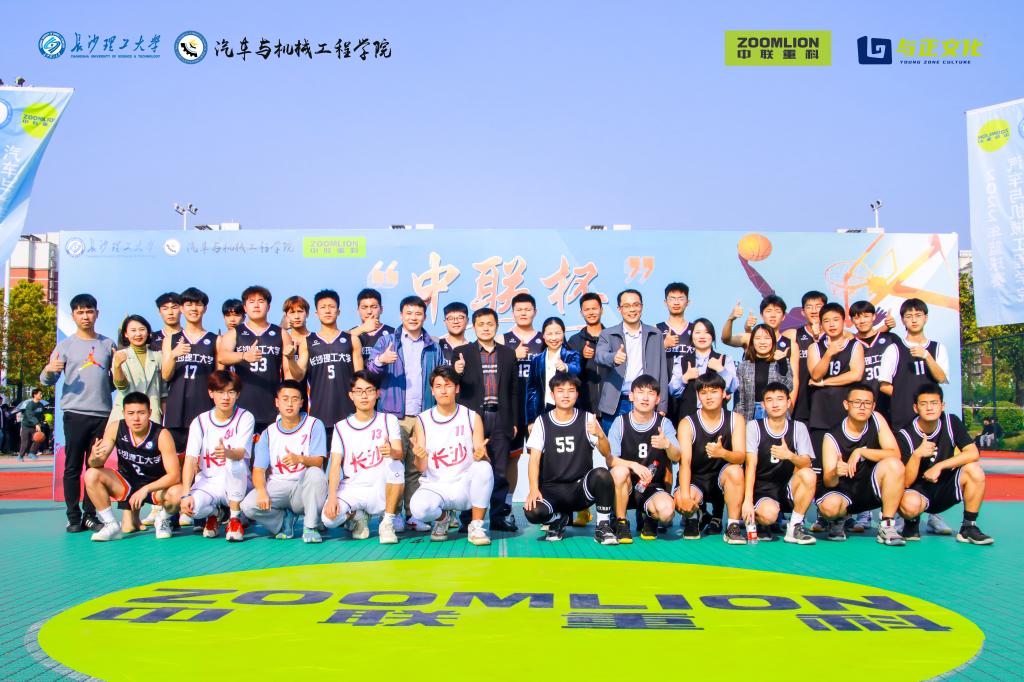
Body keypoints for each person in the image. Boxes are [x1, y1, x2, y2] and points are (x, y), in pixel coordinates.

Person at [40, 293, 117, 533]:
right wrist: (49, 370)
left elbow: (114, 382)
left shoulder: (108, 344)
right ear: (73, 316)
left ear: (97, 313)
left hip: (102, 414)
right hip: (75, 413)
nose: (85, 316)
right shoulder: (65, 346)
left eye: (89, 311)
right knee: (72, 466)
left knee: (94, 467)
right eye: (80, 312)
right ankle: (73, 516)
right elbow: (46, 380)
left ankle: (90, 515)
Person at [369, 295, 445, 532]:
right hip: (394, 415)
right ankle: (393, 514)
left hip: (423, 415)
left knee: (415, 467)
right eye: (409, 313)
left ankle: (413, 514)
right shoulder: (387, 341)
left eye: (418, 313)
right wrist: (381, 360)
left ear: (424, 317)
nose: (413, 318)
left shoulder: (433, 345)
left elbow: (440, 377)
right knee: (394, 465)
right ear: (401, 315)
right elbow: (370, 370)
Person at [878, 298, 953, 536]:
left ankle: (934, 514)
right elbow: (884, 384)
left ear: (926, 318)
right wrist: (907, 402)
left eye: (918, 315)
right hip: (903, 419)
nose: (914, 319)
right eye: (909, 316)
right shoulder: (894, 349)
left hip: (931, 421)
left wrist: (926, 356)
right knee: (904, 465)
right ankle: (902, 514)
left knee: (933, 462)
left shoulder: (937, 348)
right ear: (902, 320)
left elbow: (941, 378)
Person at [522, 372, 617, 544]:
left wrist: (600, 435)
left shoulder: (588, 419)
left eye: (571, 390)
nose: (565, 395)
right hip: (551, 490)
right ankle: (558, 519)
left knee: (602, 474)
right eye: (560, 390)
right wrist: (533, 489)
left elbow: (606, 453)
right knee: (532, 511)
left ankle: (603, 526)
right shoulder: (541, 422)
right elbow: (534, 459)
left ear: (577, 394)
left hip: (580, 490)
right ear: (552, 395)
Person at [897, 384, 993, 545]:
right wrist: (917, 455)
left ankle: (968, 527)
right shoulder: (904, 435)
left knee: (974, 470)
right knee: (909, 505)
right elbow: (905, 482)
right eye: (923, 404)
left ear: (942, 406)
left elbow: (973, 453)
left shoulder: (951, 422)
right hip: (918, 491)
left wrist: (939, 466)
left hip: (945, 487)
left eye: (934, 403)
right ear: (915, 408)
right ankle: (911, 522)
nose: (929, 408)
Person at [408, 366, 494, 546]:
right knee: (418, 510)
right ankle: (443, 519)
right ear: (432, 391)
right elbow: (421, 468)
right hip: (436, 486)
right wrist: (419, 455)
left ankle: (476, 526)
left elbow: (482, 454)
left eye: (448, 385)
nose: (443, 390)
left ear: (457, 388)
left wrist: (481, 455)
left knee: (484, 467)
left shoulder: (471, 416)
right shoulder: (423, 419)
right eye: (438, 386)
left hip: (463, 486)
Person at [452, 308, 520, 532]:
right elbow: (453, 384)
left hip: (501, 418)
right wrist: (456, 370)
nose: (486, 328)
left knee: (500, 470)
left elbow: (514, 390)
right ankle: (467, 518)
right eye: (481, 324)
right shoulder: (461, 353)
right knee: (470, 468)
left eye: (490, 324)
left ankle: (498, 517)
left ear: (497, 326)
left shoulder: (508, 354)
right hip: (473, 420)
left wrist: (514, 420)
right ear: (474, 327)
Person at [83, 392, 182, 541]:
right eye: (130, 413)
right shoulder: (115, 427)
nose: (136, 418)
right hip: (126, 484)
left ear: (150, 413)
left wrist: (145, 489)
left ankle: (163, 519)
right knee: (91, 474)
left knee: (179, 492)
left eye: (141, 413)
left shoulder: (162, 434)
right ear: (124, 413)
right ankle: (111, 525)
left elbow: (174, 475)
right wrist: (94, 457)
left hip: (154, 488)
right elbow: (96, 463)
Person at [814, 383, 906, 546]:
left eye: (867, 403)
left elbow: (895, 454)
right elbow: (828, 481)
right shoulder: (832, 437)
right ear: (846, 404)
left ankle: (887, 525)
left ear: (873, 406)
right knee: (830, 507)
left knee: (895, 465)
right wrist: (836, 472)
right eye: (857, 402)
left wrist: (861, 452)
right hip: (842, 491)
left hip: (867, 488)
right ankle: (838, 519)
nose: (862, 407)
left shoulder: (877, 419)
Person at [322, 371, 405, 544]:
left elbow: (399, 453)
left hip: (380, 487)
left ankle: (387, 522)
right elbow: (335, 464)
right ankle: (358, 516)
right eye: (359, 391)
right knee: (328, 519)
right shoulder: (341, 427)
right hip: (353, 487)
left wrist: (391, 452)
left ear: (378, 393)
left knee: (396, 465)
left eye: (369, 390)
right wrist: (332, 497)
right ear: (351, 395)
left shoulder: (388, 420)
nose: (364, 396)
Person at [241, 381, 328, 543]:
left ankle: (310, 526)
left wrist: (300, 459)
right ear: (277, 402)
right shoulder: (268, 433)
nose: (290, 404)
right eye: (285, 399)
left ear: (301, 402)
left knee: (316, 474)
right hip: (278, 486)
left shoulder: (314, 425)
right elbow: (259, 470)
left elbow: (318, 461)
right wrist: (261, 491)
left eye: (295, 399)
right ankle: (283, 522)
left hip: (303, 488)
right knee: (248, 505)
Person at [176, 370, 255, 542]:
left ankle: (234, 518)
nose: (225, 397)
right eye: (220, 392)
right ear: (211, 393)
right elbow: (190, 459)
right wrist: (185, 494)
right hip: (208, 482)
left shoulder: (245, 417)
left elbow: (241, 453)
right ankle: (215, 513)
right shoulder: (200, 421)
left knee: (235, 462)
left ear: (238, 394)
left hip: (237, 483)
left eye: (231, 392)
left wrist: (227, 453)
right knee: (191, 509)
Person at [604, 374, 680, 543]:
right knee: (619, 472)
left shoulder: (664, 424)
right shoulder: (620, 422)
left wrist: (667, 444)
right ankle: (621, 522)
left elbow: (676, 456)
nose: (645, 398)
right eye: (640, 392)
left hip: (651, 487)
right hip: (626, 486)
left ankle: (650, 518)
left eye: (651, 393)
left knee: (667, 512)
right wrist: (633, 465)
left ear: (657, 399)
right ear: (631, 396)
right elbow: (610, 460)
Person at [675, 372, 747, 543]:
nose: (709, 397)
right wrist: (685, 497)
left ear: (724, 393)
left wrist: (722, 453)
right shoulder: (687, 423)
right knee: (679, 499)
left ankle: (733, 526)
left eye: (714, 391)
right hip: (696, 479)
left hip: (721, 480)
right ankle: (694, 517)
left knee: (736, 471)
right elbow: (684, 463)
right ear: (698, 396)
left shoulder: (736, 420)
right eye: (704, 392)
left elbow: (741, 457)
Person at [742, 382, 817, 543]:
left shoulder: (799, 428)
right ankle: (760, 519)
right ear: (763, 405)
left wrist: (790, 456)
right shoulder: (754, 427)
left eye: (780, 399)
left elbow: (806, 463)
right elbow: (750, 466)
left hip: (787, 488)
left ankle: (794, 527)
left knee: (809, 474)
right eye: (769, 400)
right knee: (769, 515)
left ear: (788, 402)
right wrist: (747, 501)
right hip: (763, 490)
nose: (775, 404)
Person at [847, 299, 898, 532]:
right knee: (860, 459)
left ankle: (892, 514)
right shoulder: (850, 342)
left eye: (866, 315)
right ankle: (863, 512)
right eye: (857, 317)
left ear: (873, 317)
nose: (862, 320)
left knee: (891, 459)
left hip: (886, 408)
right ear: (852, 320)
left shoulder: (890, 340)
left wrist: (885, 328)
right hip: (859, 411)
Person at [219, 285, 297, 435]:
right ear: (245, 308)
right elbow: (222, 357)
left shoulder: (280, 333)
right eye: (251, 301)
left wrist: (287, 400)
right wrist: (243, 356)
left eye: (261, 301)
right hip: (241, 405)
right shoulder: (235, 333)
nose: (256, 305)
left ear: (268, 306)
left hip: (272, 405)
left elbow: (288, 373)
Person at [290, 289, 361, 448]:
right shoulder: (307, 342)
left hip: (348, 414)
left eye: (331, 306)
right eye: (323, 307)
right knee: (320, 461)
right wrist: (289, 359)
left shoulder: (352, 340)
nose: (327, 311)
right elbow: (298, 376)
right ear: (316, 313)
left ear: (338, 311)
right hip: (319, 414)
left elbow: (360, 379)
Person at [595, 289, 669, 433]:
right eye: (627, 306)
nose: (632, 309)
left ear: (641, 306)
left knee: (646, 445)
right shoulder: (607, 334)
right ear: (619, 309)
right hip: (617, 403)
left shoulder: (655, 334)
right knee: (612, 445)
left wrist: (662, 406)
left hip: (646, 401)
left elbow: (662, 372)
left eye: (636, 305)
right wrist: (613, 357)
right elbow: (599, 355)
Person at [502, 293, 545, 513]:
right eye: (519, 310)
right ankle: (507, 505)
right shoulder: (503, 339)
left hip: (538, 407)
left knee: (543, 457)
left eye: (527, 309)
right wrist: (512, 355)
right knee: (513, 457)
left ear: (535, 312)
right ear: (513, 313)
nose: (523, 313)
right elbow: (496, 369)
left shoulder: (544, 338)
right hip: (513, 407)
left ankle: (545, 503)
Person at [161, 287, 217, 458]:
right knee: (175, 459)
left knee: (202, 459)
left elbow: (219, 378)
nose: (193, 309)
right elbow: (166, 375)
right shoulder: (171, 339)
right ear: (182, 308)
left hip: (203, 407)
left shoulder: (215, 339)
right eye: (189, 304)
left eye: (198, 304)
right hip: (176, 410)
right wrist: (174, 355)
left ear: (205, 308)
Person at [807, 302, 865, 438]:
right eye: (826, 321)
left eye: (836, 320)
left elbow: (856, 375)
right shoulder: (814, 348)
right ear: (821, 325)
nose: (832, 324)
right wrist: (828, 354)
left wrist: (824, 383)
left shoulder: (855, 346)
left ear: (844, 321)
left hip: (847, 412)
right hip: (821, 414)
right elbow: (816, 375)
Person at [668, 317, 738, 419]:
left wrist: (721, 370)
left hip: (717, 418)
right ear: (692, 336)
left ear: (712, 337)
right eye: (697, 332)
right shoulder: (681, 360)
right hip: (688, 418)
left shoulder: (724, 359)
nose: (702, 336)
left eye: (707, 332)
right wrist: (685, 378)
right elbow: (672, 391)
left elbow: (733, 387)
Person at [526, 317, 581, 424]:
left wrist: (566, 367)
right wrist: (531, 420)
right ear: (543, 335)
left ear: (563, 334)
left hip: (566, 410)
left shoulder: (572, 355)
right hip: (543, 411)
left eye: (557, 333)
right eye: (549, 334)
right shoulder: (536, 360)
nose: (554, 338)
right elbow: (531, 390)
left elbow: (577, 369)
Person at [733, 324, 792, 421]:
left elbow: (789, 387)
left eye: (767, 338)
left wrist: (782, 363)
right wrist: (740, 422)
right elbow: (739, 399)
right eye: (758, 338)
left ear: (773, 341)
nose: (762, 342)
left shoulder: (781, 362)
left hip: (776, 413)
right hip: (751, 415)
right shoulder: (743, 366)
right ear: (752, 341)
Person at [111, 314, 164, 422]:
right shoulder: (120, 355)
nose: (138, 334)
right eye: (133, 330)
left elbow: (163, 389)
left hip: (151, 413)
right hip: (125, 414)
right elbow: (122, 386)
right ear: (126, 334)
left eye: (142, 329)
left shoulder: (158, 356)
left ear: (148, 332)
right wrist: (117, 366)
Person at [657, 283, 694, 422]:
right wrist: (663, 345)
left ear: (688, 302)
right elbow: (648, 358)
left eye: (680, 298)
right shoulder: (656, 329)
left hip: (689, 391)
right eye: (672, 298)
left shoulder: (696, 330)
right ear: (665, 302)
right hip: (663, 392)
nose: (676, 302)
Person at [790, 291, 828, 423]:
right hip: (801, 404)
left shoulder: (837, 336)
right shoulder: (793, 335)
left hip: (828, 402)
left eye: (818, 306)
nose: (814, 311)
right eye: (809, 307)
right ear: (802, 311)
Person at [566, 292, 605, 414]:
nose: (591, 312)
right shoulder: (574, 341)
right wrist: (581, 356)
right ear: (581, 313)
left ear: (601, 310)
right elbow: (570, 373)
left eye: (594, 308)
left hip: (610, 407)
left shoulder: (611, 337)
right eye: (587, 310)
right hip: (584, 407)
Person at [351, 288, 394, 366]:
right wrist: (362, 329)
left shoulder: (392, 333)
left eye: (374, 307)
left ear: (381, 309)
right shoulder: (353, 332)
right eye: (364, 307)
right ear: (358, 311)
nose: (369, 312)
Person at [281, 295, 311, 380]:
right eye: (292, 312)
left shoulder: (315, 339)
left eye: (300, 311)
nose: (297, 316)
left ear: (307, 314)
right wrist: (282, 327)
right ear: (286, 316)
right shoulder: (283, 340)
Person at [17, 389, 46, 461]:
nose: (41, 395)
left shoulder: (41, 405)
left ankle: (32, 453)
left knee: (38, 438)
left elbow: (41, 415)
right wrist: (36, 423)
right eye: (40, 394)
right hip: (26, 425)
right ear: (35, 395)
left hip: (35, 425)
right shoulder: (30, 405)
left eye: (41, 394)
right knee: (25, 442)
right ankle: (20, 456)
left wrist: (41, 422)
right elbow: (30, 416)